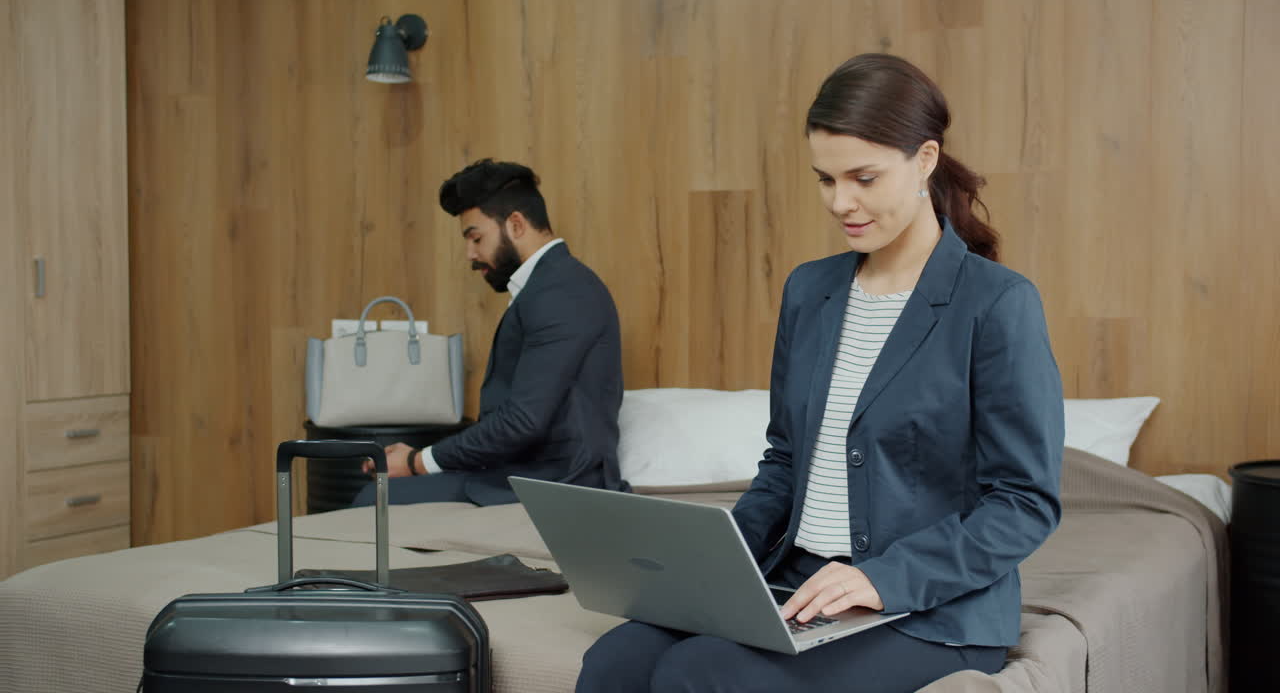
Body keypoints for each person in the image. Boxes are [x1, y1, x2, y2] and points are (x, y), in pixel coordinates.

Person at [576, 54, 1064, 692]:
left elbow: (1023, 503)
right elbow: (785, 458)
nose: (842, 202)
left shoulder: (996, 303)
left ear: (925, 159)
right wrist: (715, 560)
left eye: (863, 177)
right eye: (826, 180)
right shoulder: (810, 290)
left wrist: (880, 579)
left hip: (929, 611)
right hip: (796, 578)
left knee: (703, 673)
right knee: (615, 660)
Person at [353, 159, 628, 507]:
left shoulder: (562, 292)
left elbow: (523, 421)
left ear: (515, 224)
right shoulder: (548, 287)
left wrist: (416, 462)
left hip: (552, 484)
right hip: (515, 474)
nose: (471, 254)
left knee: (369, 502)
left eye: (476, 238)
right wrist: (421, 457)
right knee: (373, 496)